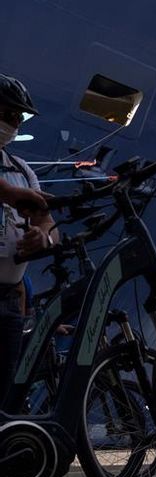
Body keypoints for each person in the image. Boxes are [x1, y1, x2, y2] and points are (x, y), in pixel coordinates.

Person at [0, 74, 55, 412]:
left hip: (7, 298)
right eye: (9, 115)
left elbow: (47, 220)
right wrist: (11, 193)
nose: (15, 124)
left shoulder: (21, 169)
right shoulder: (16, 183)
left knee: (4, 393)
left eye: (19, 118)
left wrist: (44, 236)